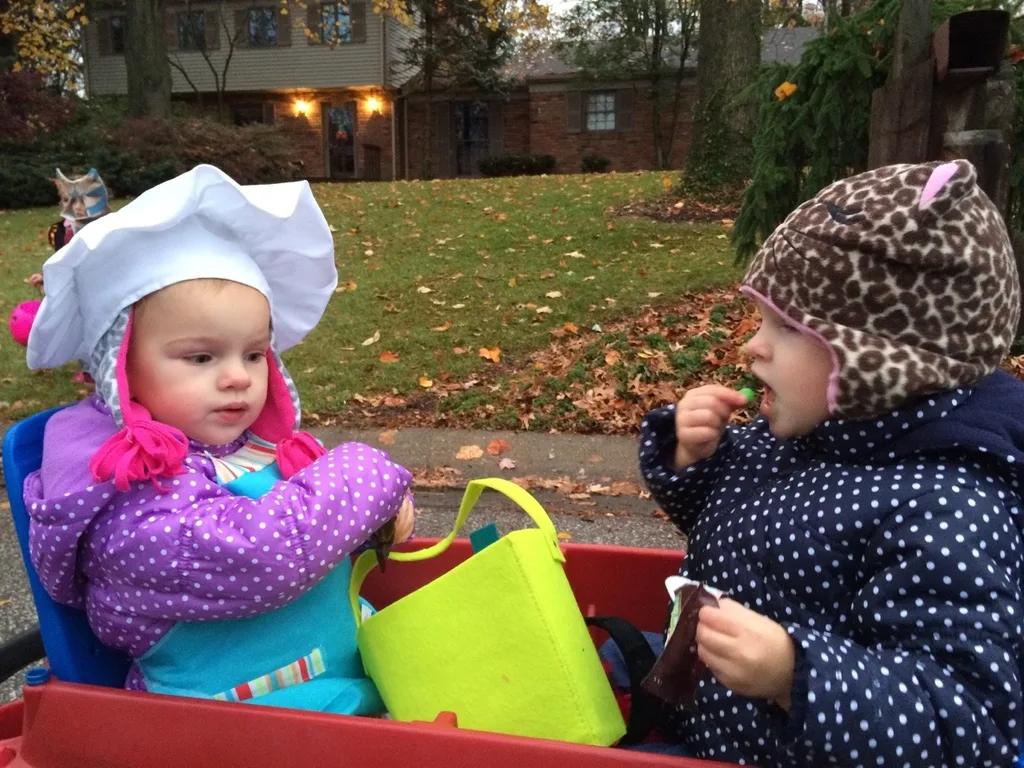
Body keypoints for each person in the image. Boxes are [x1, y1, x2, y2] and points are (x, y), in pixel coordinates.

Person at [638, 159, 1024, 766]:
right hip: (705, 729)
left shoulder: (945, 507)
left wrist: (797, 674)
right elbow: (731, 524)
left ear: (880, 356)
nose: (751, 345)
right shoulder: (814, 435)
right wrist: (693, 454)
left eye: (787, 326)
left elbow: (967, 723)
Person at [22, 164, 415, 715]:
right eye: (201, 357)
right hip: (227, 726)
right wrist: (370, 475)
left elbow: (325, 520)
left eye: (254, 353)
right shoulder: (124, 491)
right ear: (120, 369)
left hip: (348, 681)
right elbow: (261, 557)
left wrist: (380, 513)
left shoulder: (247, 448)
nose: (238, 377)